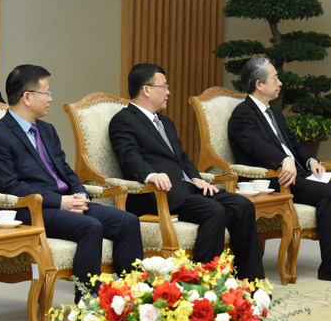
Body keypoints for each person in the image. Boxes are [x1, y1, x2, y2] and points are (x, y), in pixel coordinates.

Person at [0, 64, 143, 299]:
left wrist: (80, 193)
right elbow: (10, 187)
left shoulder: (47, 130)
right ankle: (88, 303)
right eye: (46, 93)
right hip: (31, 208)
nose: (50, 98)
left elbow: (65, 170)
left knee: (128, 222)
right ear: (27, 97)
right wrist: (60, 202)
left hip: (66, 202)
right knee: (91, 226)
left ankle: (131, 298)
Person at [228, 56, 331, 284]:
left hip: (297, 173)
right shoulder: (242, 115)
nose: (280, 83)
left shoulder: (274, 113)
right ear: (259, 84)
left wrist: (310, 161)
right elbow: (256, 147)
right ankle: (330, 265)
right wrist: (282, 160)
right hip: (273, 180)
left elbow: (293, 144)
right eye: (275, 78)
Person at [109, 63, 264, 281]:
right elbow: (129, 156)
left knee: (242, 206)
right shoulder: (123, 120)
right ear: (146, 89)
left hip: (187, 188)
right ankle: (201, 281)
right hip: (157, 194)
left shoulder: (165, 122)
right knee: (214, 210)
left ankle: (250, 281)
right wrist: (151, 175)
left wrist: (196, 178)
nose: (169, 92)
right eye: (164, 86)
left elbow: (181, 157)